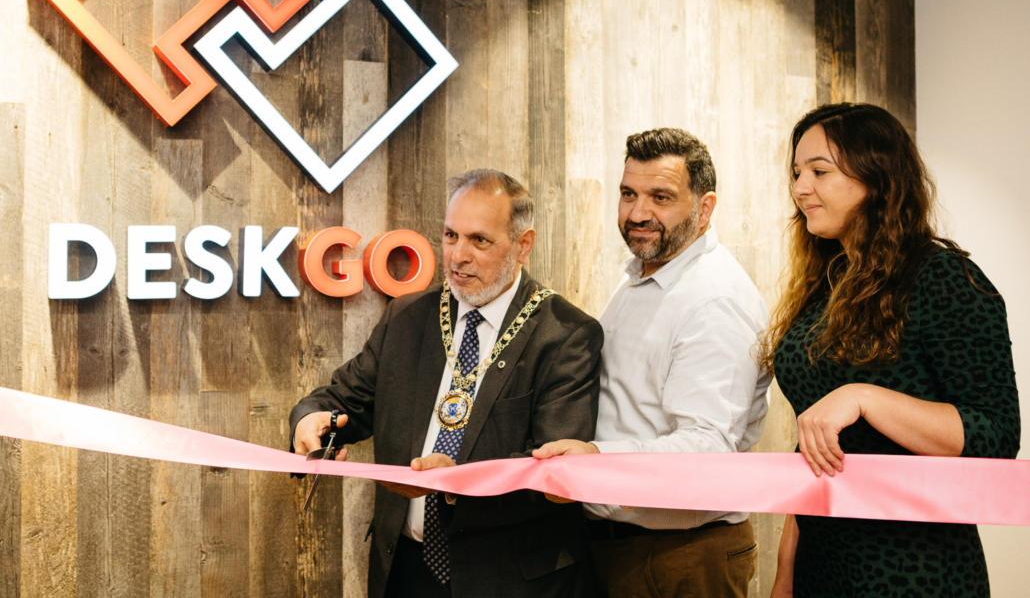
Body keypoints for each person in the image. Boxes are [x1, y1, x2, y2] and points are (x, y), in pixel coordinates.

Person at [290, 169, 604, 598]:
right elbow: (347, 399)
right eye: (450, 236)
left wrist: (458, 484)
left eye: (479, 240)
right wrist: (310, 419)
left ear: (523, 245)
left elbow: (555, 472)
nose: (458, 256)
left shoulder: (566, 334)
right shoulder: (406, 316)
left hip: (509, 580)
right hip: (405, 570)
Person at [764, 103, 1020, 598]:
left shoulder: (944, 279)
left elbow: (996, 435)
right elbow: (816, 452)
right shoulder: (826, 284)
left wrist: (866, 396)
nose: (799, 188)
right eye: (797, 173)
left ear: (876, 178)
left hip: (915, 571)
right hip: (823, 565)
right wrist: (785, 570)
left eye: (819, 171)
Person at [533, 128, 772, 598]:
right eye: (628, 194)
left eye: (660, 197)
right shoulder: (644, 276)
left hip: (681, 557)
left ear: (704, 209)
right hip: (624, 549)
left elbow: (706, 446)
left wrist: (597, 460)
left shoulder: (714, 301)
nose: (638, 213)